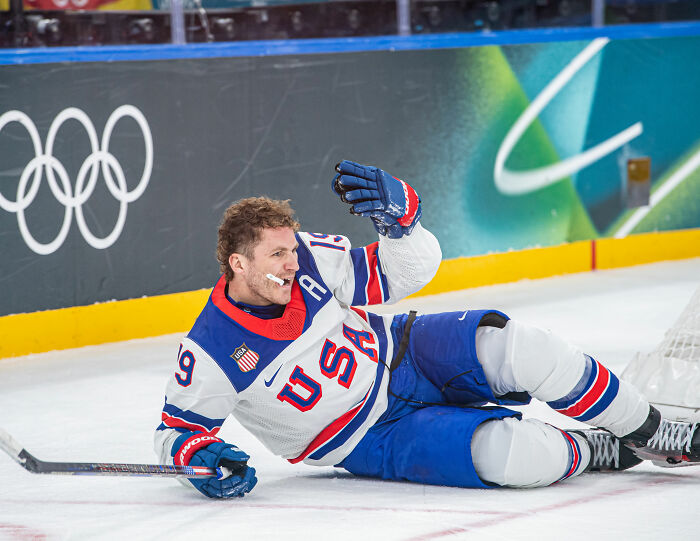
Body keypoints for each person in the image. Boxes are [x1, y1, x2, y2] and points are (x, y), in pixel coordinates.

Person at [155, 160, 700, 498]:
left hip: (403, 352)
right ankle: (592, 448)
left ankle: (652, 431)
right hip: (370, 439)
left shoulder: (312, 260)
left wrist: (404, 224)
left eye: (292, 250)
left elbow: (399, 273)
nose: (292, 263)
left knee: (528, 349)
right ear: (238, 264)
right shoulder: (209, 350)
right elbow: (177, 434)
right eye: (277, 255)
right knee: (519, 459)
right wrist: (200, 462)